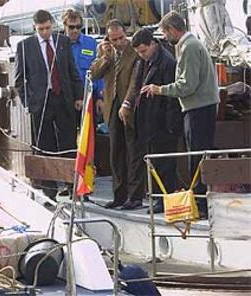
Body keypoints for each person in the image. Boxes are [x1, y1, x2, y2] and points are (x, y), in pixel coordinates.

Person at [141, 12, 220, 217]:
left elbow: (187, 85)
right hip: (198, 107)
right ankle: (200, 201)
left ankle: (201, 205)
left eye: (165, 33)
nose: (165, 38)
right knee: (197, 156)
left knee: (197, 157)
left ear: (172, 29)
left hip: (198, 109)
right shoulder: (189, 45)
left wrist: (160, 89)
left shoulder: (189, 47)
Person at [14, 10, 83, 199]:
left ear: (52, 25)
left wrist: (78, 96)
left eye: (47, 28)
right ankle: (49, 191)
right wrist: (29, 103)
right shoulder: (25, 47)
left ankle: (72, 186)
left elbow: (72, 71)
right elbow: (19, 80)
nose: (45, 32)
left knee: (68, 143)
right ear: (34, 27)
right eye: (41, 29)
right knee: (45, 145)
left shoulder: (63, 42)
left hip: (64, 99)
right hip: (41, 103)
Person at [90, 20, 143, 210]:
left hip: (130, 107)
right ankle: (119, 195)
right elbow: (94, 74)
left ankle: (135, 196)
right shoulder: (106, 51)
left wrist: (128, 103)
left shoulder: (134, 50)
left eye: (121, 38)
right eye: (114, 40)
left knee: (133, 151)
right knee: (115, 152)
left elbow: (135, 82)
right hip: (112, 106)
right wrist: (105, 56)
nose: (118, 42)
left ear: (125, 34)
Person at [131, 28, 183, 214]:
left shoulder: (166, 62)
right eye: (138, 52)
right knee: (155, 162)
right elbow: (138, 87)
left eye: (143, 50)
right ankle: (159, 198)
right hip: (149, 121)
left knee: (165, 164)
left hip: (162, 122)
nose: (141, 55)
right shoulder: (145, 61)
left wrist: (170, 126)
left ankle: (164, 199)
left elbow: (171, 97)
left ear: (153, 44)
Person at [62, 9, 104, 115]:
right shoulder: (59, 45)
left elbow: (100, 71)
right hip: (67, 99)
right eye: (71, 27)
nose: (75, 30)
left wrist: (100, 97)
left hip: (90, 97)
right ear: (64, 26)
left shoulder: (91, 44)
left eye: (78, 27)